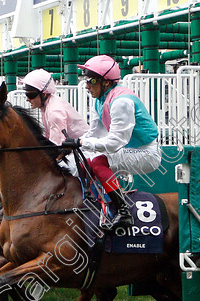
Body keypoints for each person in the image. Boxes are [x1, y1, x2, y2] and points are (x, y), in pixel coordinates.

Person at [61, 55, 162, 230]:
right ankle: (86, 203)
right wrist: (73, 148)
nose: (87, 85)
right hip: (130, 148)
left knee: (98, 162)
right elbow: (95, 133)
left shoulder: (121, 102)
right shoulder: (99, 101)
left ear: (106, 82)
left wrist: (81, 142)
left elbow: (115, 142)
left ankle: (124, 212)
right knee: (82, 161)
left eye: (91, 80)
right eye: (85, 79)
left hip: (147, 153)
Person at [22, 68, 88, 146]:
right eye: (26, 95)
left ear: (44, 94)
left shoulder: (54, 111)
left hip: (84, 150)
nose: (27, 99)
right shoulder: (48, 105)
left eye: (30, 95)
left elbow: (57, 145)